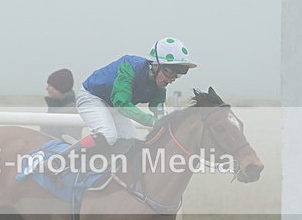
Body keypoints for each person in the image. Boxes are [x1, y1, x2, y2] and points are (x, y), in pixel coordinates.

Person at [54, 37, 197, 167]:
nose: (172, 79)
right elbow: (121, 103)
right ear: (155, 65)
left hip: (112, 106)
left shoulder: (159, 88)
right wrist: (151, 121)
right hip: (92, 97)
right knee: (107, 135)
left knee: (132, 143)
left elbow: (160, 115)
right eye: (169, 72)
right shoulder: (129, 67)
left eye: (177, 74)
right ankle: (61, 159)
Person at [40, 68, 82, 220]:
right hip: (53, 165)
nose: (47, 87)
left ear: (61, 87)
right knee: (51, 214)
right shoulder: (57, 107)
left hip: (63, 169)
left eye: (51, 84)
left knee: (61, 215)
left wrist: (57, 165)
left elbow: (69, 143)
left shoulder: (69, 110)